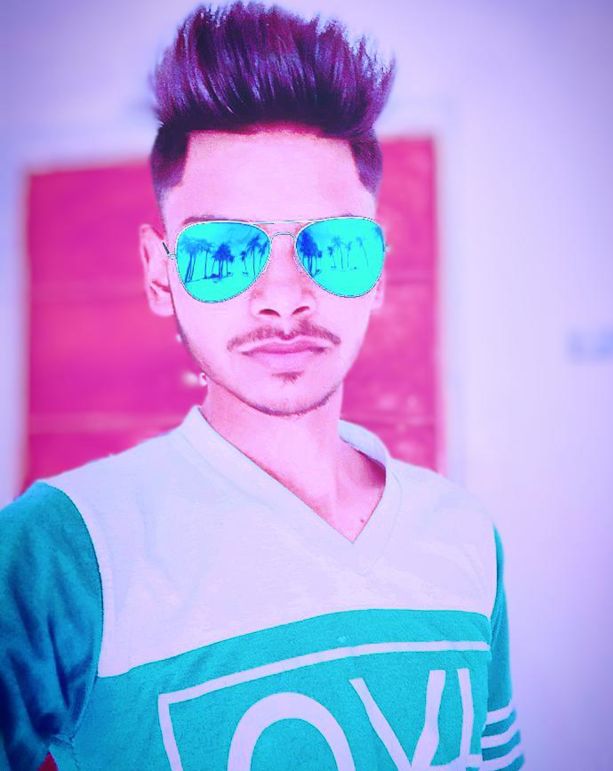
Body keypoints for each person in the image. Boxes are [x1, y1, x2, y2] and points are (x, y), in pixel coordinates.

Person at [0, 3, 525, 769]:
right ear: (160, 275)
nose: (284, 297)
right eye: (222, 252)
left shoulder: (465, 535)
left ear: (378, 270)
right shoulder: (59, 552)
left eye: (334, 246)